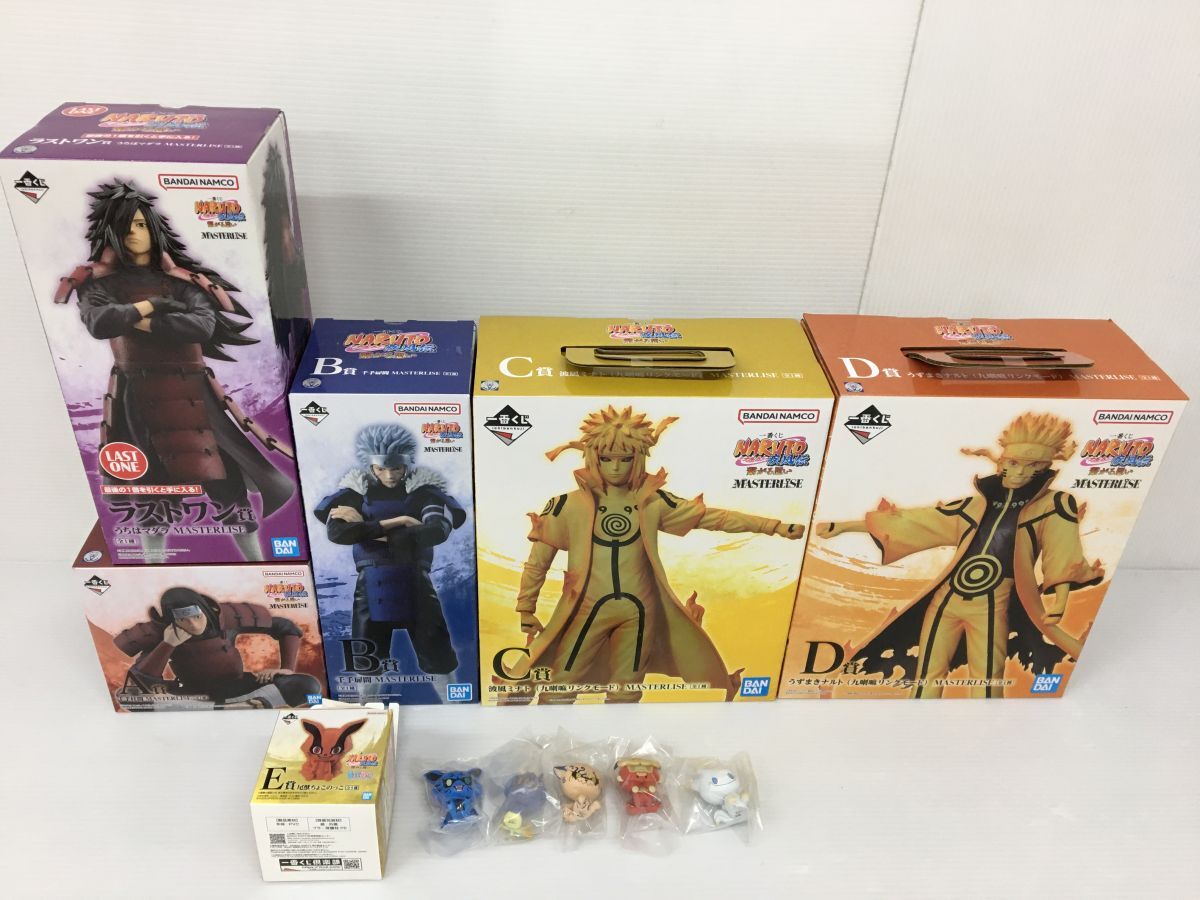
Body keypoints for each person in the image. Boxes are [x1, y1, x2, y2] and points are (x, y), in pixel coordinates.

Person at [56, 181, 295, 561]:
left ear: (153, 228)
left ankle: (261, 567)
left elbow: (201, 326)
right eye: (125, 227)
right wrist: (154, 305)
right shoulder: (96, 284)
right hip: (136, 398)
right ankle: (152, 569)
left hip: (195, 396)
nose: (135, 234)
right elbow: (101, 322)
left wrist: (139, 320)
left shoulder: (182, 280)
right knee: (150, 496)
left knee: (228, 487)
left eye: (141, 225)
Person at [509, 405, 805, 703]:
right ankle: (547, 729)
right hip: (587, 608)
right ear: (592, 456)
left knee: (627, 689)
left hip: (640, 610)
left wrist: (773, 526)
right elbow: (538, 562)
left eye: (625, 459)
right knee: (561, 683)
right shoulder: (565, 506)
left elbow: (713, 518)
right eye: (607, 459)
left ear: (638, 458)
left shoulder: (652, 501)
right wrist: (526, 607)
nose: (615, 468)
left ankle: (620, 733)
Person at [818, 412, 1103, 698]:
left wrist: (1061, 599)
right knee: (928, 673)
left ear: (1045, 467)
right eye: (1013, 463)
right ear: (1001, 461)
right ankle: (917, 719)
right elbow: (915, 521)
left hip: (994, 600)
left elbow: (1062, 549)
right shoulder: (974, 506)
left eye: (1032, 466)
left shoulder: (1054, 504)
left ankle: (987, 722)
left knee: (986, 677)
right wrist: (843, 526)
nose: (1019, 473)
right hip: (947, 597)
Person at [314, 424, 467, 700]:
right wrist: (401, 521)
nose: (389, 475)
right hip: (369, 587)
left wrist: (366, 528)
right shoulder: (354, 493)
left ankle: (454, 706)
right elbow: (338, 533)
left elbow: (435, 531)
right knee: (367, 661)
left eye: (396, 468)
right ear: (371, 466)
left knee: (438, 657)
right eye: (381, 468)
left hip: (416, 584)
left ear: (406, 464)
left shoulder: (425, 492)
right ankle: (365, 712)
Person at [114, 586, 321, 709]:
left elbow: (287, 628)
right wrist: (168, 644)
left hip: (239, 685)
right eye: (184, 619)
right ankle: (249, 705)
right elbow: (140, 682)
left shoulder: (226, 620)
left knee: (308, 686)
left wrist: (286, 669)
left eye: (196, 616)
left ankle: (237, 704)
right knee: (132, 699)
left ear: (205, 611)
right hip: (195, 693)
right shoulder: (163, 634)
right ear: (172, 619)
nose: (193, 624)